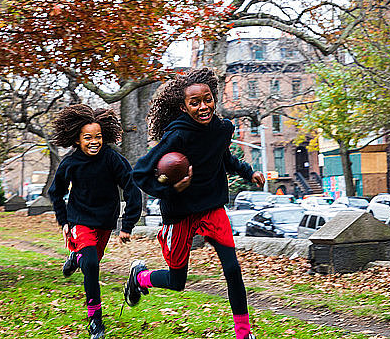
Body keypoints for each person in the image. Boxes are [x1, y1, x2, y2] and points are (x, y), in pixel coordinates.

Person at [126, 68, 265, 339]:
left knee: (233, 269)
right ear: (183, 106)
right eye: (195, 102)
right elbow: (140, 172)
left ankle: (243, 333)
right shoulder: (177, 135)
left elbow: (224, 159)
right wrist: (169, 189)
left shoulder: (223, 129)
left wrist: (249, 172)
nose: (204, 106)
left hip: (212, 208)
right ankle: (140, 277)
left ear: (214, 98)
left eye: (208, 99)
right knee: (177, 281)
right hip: (180, 212)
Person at [48, 104, 141, 339]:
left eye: (98, 137)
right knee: (91, 265)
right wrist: (64, 221)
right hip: (80, 218)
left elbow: (131, 188)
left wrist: (127, 225)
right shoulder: (70, 163)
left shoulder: (112, 159)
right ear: (77, 140)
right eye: (87, 137)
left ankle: (75, 256)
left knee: (90, 259)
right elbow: (55, 192)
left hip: (105, 220)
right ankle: (95, 321)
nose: (94, 141)